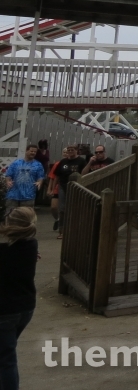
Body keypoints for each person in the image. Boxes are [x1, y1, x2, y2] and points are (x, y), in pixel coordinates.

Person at [0, 207, 38, 390]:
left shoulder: (5, 251)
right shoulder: (31, 245)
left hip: (5, 311)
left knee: (6, 359)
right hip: (25, 308)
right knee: (5, 351)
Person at [52, 146, 86, 239]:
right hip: (63, 186)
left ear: (76, 151)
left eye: (72, 150)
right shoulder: (63, 162)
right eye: (69, 150)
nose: (70, 152)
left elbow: (85, 173)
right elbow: (57, 175)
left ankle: (74, 230)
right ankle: (62, 231)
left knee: (75, 209)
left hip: (76, 187)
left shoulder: (81, 161)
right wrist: (53, 187)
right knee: (62, 209)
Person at [3, 146, 45, 219]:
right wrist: (8, 181)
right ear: (26, 151)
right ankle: (10, 229)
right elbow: (8, 175)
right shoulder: (16, 163)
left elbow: (40, 177)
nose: (33, 153)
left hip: (28, 194)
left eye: (35, 152)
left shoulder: (38, 165)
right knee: (10, 214)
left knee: (26, 216)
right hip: (13, 193)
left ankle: (25, 229)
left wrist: (39, 183)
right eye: (31, 151)